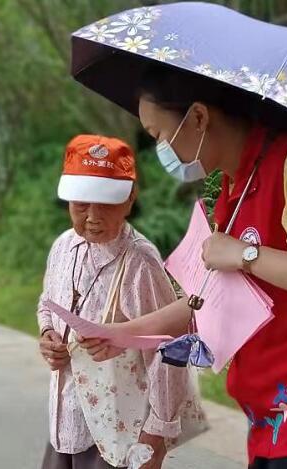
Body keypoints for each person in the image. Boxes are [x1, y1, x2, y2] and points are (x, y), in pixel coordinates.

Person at [107, 67, 287, 469]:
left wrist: (247, 255)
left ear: (198, 117)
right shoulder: (234, 187)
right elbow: (208, 300)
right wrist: (121, 334)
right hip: (273, 424)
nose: (161, 148)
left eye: (159, 134)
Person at [36, 134, 204, 469]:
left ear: (130, 199)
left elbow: (169, 347)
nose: (92, 216)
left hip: (120, 432)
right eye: (81, 204)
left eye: (106, 203)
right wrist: (47, 335)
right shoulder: (64, 247)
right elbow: (47, 302)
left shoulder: (139, 262)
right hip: (66, 422)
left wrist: (157, 433)